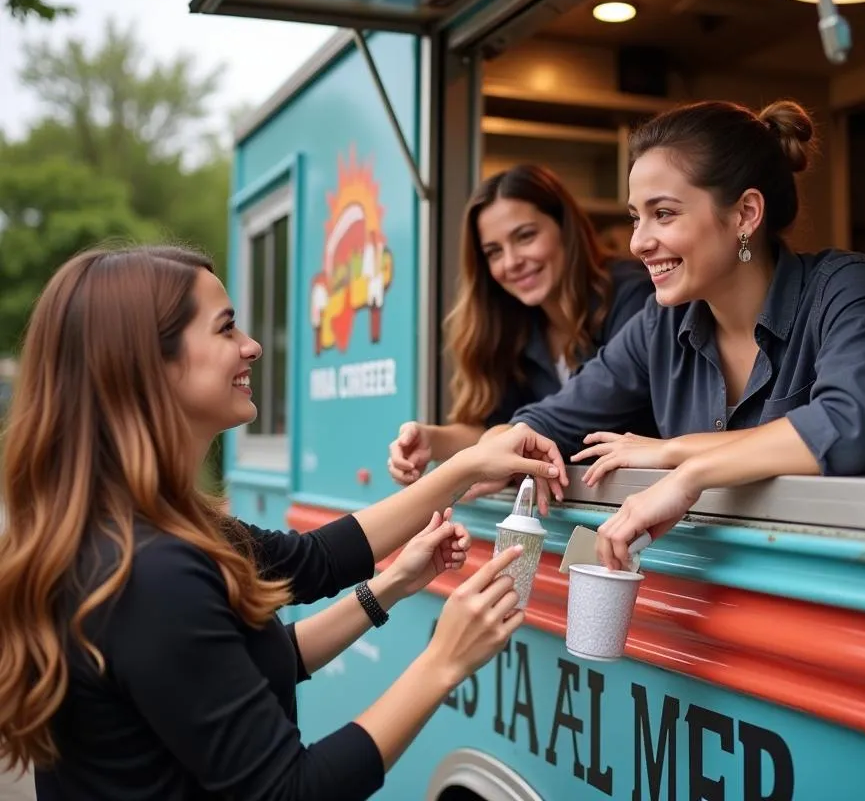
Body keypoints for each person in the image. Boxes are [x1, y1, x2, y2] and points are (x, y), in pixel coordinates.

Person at [0, 246, 567, 800]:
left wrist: (396, 575)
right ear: (149, 365)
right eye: (225, 329)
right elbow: (290, 788)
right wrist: (442, 662)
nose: (251, 347)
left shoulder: (143, 528)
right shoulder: (149, 573)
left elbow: (305, 573)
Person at [481, 100, 865, 569]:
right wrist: (491, 450)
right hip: (702, 589)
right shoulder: (662, 323)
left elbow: (850, 424)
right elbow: (550, 420)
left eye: (664, 214)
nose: (638, 243)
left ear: (745, 214)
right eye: (636, 217)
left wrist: (678, 461)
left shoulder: (842, 286)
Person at [387, 163, 654, 494]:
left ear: (565, 227)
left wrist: (501, 448)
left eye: (525, 236)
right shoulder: (515, 323)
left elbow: (580, 413)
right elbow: (496, 427)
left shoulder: (634, 295)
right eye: (494, 252)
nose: (511, 261)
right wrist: (433, 440)